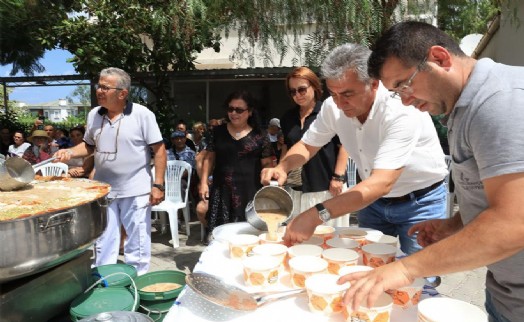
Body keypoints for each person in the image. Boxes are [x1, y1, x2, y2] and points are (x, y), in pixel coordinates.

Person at [339, 21, 524, 321]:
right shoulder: (464, 106)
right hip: (506, 295)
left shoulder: (498, 103)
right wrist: (456, 223)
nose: (406, 100)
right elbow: (503, 195)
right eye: (396, 92)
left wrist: (404, 267)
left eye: (404, 84)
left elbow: (514, 223)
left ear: (440, 58)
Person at [261, 45, 448, 256]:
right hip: (372, 201)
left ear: (374, 84)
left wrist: (316, 214)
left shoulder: (400, 111)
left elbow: (382, 182)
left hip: (419, 203)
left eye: (348, 94)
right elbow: (307, 145)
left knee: (419, 274)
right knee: (366, 265)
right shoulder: (333, 107)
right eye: (334, 93)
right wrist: (284, 166)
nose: (340, 103)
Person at [54, 67, 166, 275]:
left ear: (122, 93)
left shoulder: (142, 115)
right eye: (99, 85)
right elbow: (89, 146)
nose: (99, 90)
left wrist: (158, 184)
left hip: (136, 189)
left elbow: (159, 150)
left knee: (138, 240)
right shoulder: (94, 115)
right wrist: (70, 152)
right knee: (104, 238)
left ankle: (138, 278)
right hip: (104, 189)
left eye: (105, 87)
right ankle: (103, 278)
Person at [199, 90, 275, 242]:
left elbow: (267, 163)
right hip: (222, 191)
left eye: (239, 110)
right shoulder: (217, 132)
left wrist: (270, 184)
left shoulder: (260, 136)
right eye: (230, 109)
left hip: (250, 191)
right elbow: (209, 158)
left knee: (250, 235)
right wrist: (203, 182)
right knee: (221, 234)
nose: (234, 113)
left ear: (250, 112)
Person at [279, 66, 349, 218]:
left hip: (326, 186)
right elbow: (287, 146)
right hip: (296, 188)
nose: (297, 95)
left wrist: (338, 177)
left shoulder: (329, 111)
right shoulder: (287, 118)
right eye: (293, 91)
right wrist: (281, 170)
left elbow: (344, 145)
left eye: (302, 89)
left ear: (315, 86)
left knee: (327, 236)